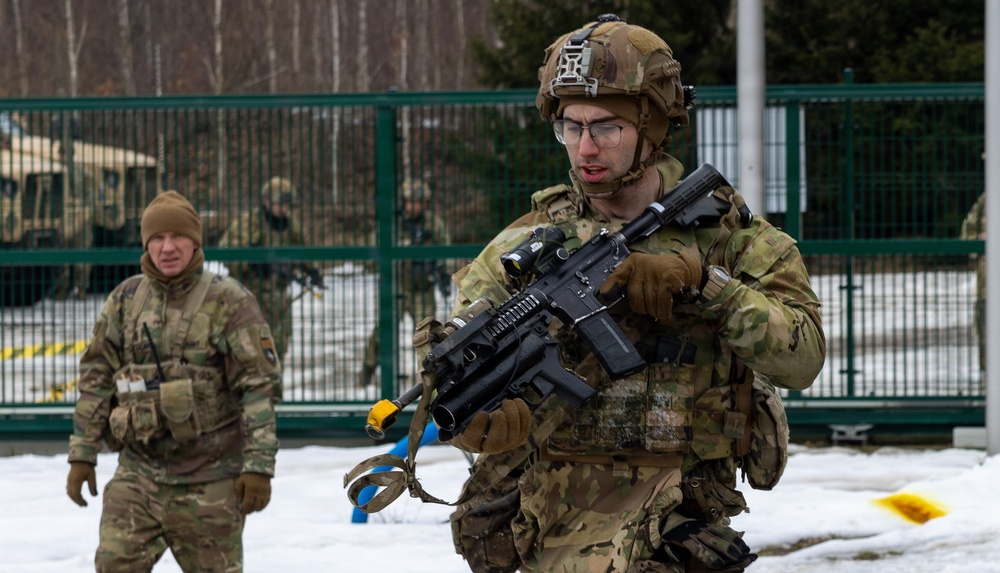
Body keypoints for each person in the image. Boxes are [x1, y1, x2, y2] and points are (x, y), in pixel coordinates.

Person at [443, 15, 826, 573]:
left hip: (674, 525)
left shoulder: (733, 241)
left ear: (653, 126)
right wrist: (479, 417)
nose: (585, 147)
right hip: (551, 529)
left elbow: (804, 357)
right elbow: (466, 352)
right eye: (570, 127)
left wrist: (705, 285)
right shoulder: (526, 244)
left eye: (606, 126)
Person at [65, 190, 282, 572]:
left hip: (210, 478)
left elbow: (258, 388)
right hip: (138, 475)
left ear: (195, 241)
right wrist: (82, 453)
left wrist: (258, 465)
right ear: (145, 243)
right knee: (114, 564)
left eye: (177, 237)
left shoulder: (228, 300)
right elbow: (96, 378)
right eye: (157, 238)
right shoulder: (125, 300)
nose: (167, 247)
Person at [219, 176, 323, 366]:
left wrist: (313, 271)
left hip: (278, 299)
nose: (284, 209)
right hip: (250, 297)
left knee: (278, 347)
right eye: (279, 204)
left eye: (287, 205)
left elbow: (304, 251)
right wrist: (253, 264)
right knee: (251, 348)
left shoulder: (291, 225)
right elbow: (228, 251)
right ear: (266, 202)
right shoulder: (250, 223)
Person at [358, 178, 452, 387]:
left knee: (429, 335)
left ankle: (431, 377)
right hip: (397, 286)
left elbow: (446, 249)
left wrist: (441, 269)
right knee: (384, 332)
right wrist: (406, 251)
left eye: (419, 202)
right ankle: (368, 371)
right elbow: (376, 253)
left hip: (423, 287)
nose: (415, 206)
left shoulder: (432, 223)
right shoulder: (392, 223)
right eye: (411, 202)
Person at [53, 161, 96, 301]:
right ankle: (62, 288)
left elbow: (91, 192)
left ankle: (82, 288)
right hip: (61, 217)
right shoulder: (55, 170)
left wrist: (87, 210)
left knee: (82, 252)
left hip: (80, 216)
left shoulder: (81, 171)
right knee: (61, 254)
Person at [960, 177, 985, 378]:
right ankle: (989, 392)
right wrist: (979, 242)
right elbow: (966, 235)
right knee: (988, 343)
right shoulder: (986, 201)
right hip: (987, 289)